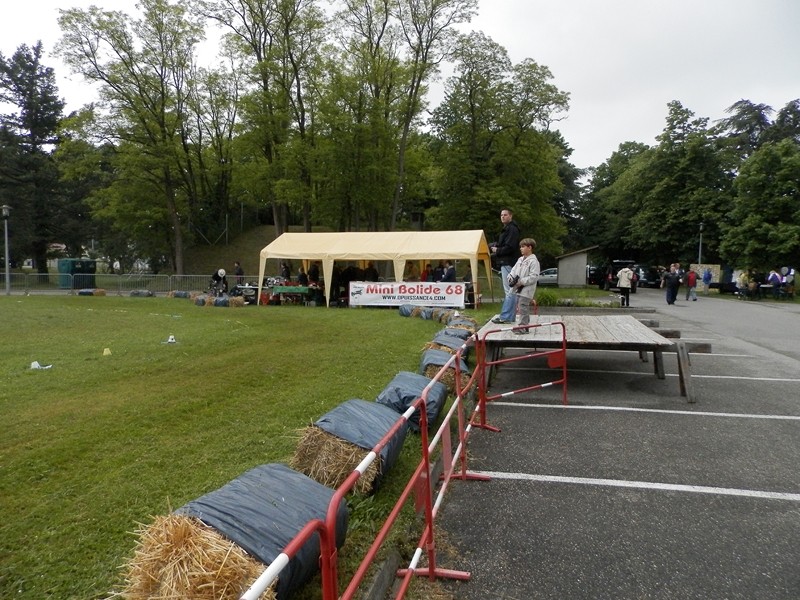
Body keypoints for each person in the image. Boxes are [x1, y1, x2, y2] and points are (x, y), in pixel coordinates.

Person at [489, 209, 522, 324]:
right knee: (510, 290)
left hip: (508, 262)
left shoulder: (511, 229)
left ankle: (506, 316)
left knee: (509, 290)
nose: (503, 217)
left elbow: (510, 247)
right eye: (501, 215)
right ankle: (509, 316)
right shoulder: (508, 229)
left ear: (511, 216)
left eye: (505, 215)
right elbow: (505, 244)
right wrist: (495, 246)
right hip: (506, 262)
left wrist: (497, 250)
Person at [504, 238, 540, 334]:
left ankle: (522, 327)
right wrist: (510, 278)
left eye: (523, 247)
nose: (521, 249)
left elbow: (534, 276)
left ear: (530, 247)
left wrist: (521, 282)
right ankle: (525, 326)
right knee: (520, 307)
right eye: (520, 247)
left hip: (527, 288)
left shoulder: (534, 261)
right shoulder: (520, 259)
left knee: (523, 306)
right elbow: (513, 270)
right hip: (518, 288)